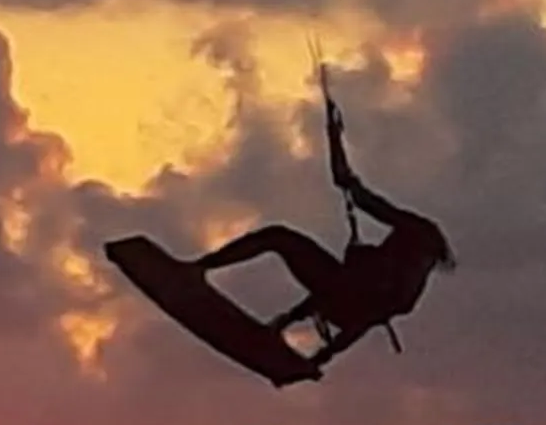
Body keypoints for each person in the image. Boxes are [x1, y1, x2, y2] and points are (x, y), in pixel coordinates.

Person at [194, 77, 454, 377]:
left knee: (282, 240)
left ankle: (205, 270)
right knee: (280, 237)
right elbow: (348, 185)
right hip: (341, 296)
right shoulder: (406, 246)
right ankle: (202, 267)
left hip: (346, 308)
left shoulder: (403, 283)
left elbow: (354, 314)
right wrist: (334, 137)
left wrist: (319, 358)